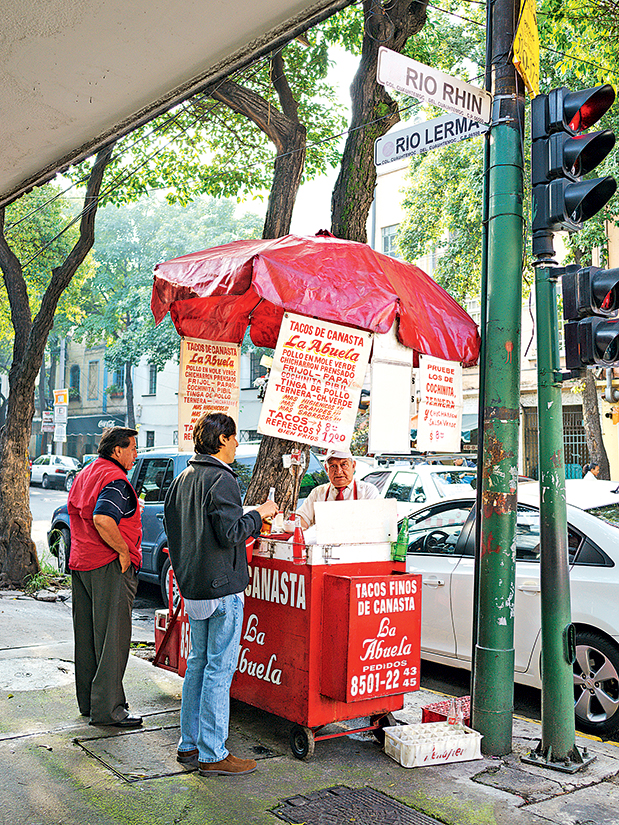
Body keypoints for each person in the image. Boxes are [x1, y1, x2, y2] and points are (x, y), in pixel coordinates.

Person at [163, 413, 277, 777]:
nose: (238, 445)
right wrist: (259, 515)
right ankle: (213, 752)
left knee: (197, 664)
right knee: (218, 668)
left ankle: (189, 744)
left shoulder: (183, 478)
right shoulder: (222, 478)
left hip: (194, 586)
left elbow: (179, 530)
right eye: (234, 438)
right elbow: (231, 532)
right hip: (222, 588)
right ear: (222, 440)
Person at [68, 427, 142, 728]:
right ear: (117, 451)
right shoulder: (116, 480)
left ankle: (89, 704)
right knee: (112, 639)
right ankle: (110, 710)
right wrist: (124, 551)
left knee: (86, 637)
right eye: (133, 448)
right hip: (108, 564)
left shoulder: (87, 472)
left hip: (82, 562)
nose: (136, 454)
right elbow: (102, 518)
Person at [291, 448, 380, 529]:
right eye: (333, 466)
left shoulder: (367, 491)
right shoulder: (318, 493)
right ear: (326, 468)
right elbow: (302, 518)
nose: (338, 471)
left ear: (353, 466)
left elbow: (375, 524)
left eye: (344, 465)